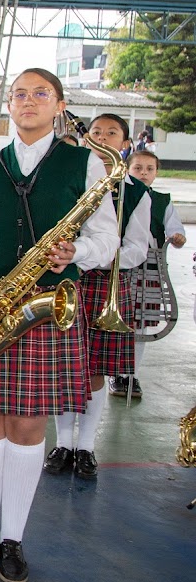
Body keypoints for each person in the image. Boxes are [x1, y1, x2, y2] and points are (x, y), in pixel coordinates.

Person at [0, 68, 118, 582]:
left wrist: (75, 251)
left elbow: (106, 240)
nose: (29, 101)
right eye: (20, 95)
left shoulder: (85, 164)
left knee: (29, 424)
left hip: (46, 301)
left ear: (59, 104)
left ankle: (13, 535)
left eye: (41, 94)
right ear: (8, 107)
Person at [45, 113, 151, 479]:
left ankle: (86, 446)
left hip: (106, 283)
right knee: (64, 367)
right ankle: (62, 443)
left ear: (125, 144)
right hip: (70, 280)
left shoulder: (136, 193)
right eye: (96, 132)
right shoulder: (70, 178)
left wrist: (101, 253)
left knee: (94, 371)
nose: (102, 138)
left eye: (112, 133)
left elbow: (137, 247)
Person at [113, 149, 187, 397]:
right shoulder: (119, 196)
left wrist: (177, 238)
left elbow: (175, 230)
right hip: (120, 268)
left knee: (141, 325)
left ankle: (131, 375)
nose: (144, 173)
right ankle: (116, 372)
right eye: (138, 168)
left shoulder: (163, 200)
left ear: (156, 172)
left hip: (149, 271)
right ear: (127, 169)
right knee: (118, 321)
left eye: (149, 169)